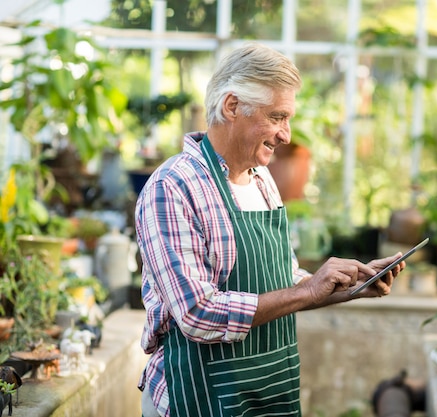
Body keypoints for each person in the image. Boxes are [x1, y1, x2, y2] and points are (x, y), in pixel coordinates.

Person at [135, 42, 406, 417]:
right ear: (232, 107)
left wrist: (348, 287)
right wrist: (309, 290)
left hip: (267, 392)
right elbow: (197, 313)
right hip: (198, 396)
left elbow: (283, 281)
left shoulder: (261, 180)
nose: (286, 135)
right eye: (277, 117)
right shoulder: (173, 187)